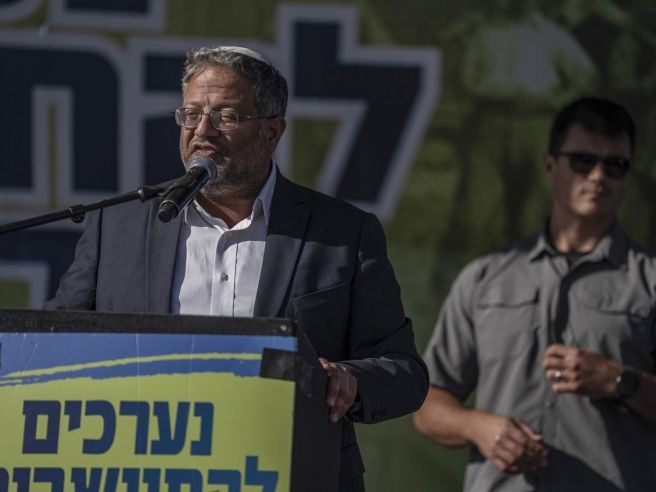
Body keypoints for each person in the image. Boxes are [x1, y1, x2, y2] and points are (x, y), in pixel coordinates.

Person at [45, 45, 428, 491]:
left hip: (290, 472)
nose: (201, 131)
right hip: (146, 473)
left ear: (272, 131)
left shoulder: (341, 233)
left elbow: (404, 372)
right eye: (191, 115)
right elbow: (54, 342)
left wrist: (349, 381)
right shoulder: (118, 226)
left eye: (225, 116)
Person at [413, 97, 656, 491]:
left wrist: (619, 380)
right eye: (583, 161)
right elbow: (427, 403)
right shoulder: (484, 277)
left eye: (615, 165)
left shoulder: (650, 280)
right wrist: (479, 427)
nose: (598, 176)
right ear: (550, 164)